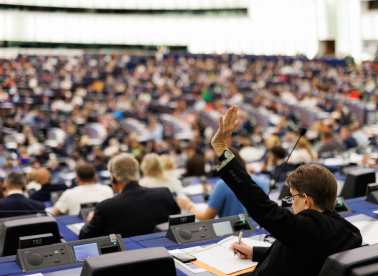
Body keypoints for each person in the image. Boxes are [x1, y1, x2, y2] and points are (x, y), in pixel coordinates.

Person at [211, 106, 362, 276]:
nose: (291, 204)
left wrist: (220, 147)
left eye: (292, 197)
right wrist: (255, 252)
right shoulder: (349, 232)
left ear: (306, 200)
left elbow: (260, 205)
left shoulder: (308, 229)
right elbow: (301, 253)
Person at [79, 153, 180, 239]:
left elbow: (85, 236)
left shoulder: (105, 207)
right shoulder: (164, 194)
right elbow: (178, 223)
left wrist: (89, 221)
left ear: (114, 179)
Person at [177, 147, 269, 220]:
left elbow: (206, 217)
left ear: (218, 167)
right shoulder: (263, 181)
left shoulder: (222, 185)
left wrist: (188, 206)